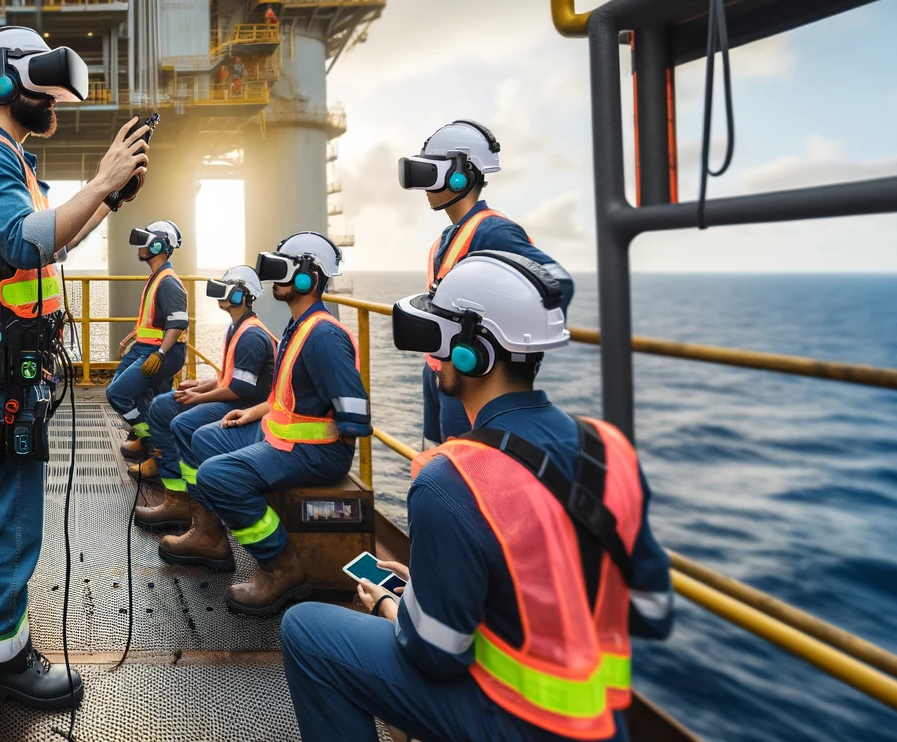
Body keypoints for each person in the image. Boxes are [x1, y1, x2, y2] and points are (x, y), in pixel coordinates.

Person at [281, 252, 673, 742]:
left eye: (439, 340)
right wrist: (428, 582)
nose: (434, 358)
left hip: (512, 722)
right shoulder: (611, 449)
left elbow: (437, 653)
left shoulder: (450, 480)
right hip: (604, 726)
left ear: (472, 353)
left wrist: (389, 603)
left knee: (306, 630)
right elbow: (652, 612)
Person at [0, 25, 152, 708]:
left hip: (5, 362)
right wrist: (98, 181)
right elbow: (22, 238)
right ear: (3, 83)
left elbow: (47, 246)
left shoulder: (13, 163)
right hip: (6, 368)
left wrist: (107, 198)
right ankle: (5, 663)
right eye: (41, 86)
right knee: (11, 511)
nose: (55, 105)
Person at [181, 232, 368, 614]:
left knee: (218, 475)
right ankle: (211, 535)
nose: (274, 279)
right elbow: (288, 396)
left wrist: (324, 451)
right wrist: (255, 412)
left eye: (285, 270)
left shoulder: (324, 336)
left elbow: (354, 415)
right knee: (204, 440)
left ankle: (282, 567)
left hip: (315, 451)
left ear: (308, 278)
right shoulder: (297, 326)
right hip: (280, 435)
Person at [398, 120, 574, 445]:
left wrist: (505, 355)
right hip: (441, 373)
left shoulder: (493, 232)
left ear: (459, 174)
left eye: (429, 173)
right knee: (435, 460)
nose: (423, 186)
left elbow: (557, 285)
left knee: (465, 474)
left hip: (471, 378)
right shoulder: (445, 240)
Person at [133, 264, 275, 537]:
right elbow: (228, 380)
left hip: (246, 407)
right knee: (162, 405)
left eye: (227, 289)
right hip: (237, 397)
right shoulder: (237, 328)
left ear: (241, 296)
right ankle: (177, 495)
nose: (221, 295)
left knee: (183, 424)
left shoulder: (252, 336)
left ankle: (200, 514)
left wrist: (199, 396)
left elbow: (239, 390)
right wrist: (201, 384)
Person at [106, 220, 189, 479]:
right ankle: (151, 442)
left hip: (160, 352)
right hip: (146, 348)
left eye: (147, 240)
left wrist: (160, 354)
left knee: (117, 394)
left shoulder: (168, 282)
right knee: (153, 401)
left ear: (159, 245)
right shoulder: (157, 277)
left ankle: (155, 445)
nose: (141, 246)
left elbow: (178, 321)